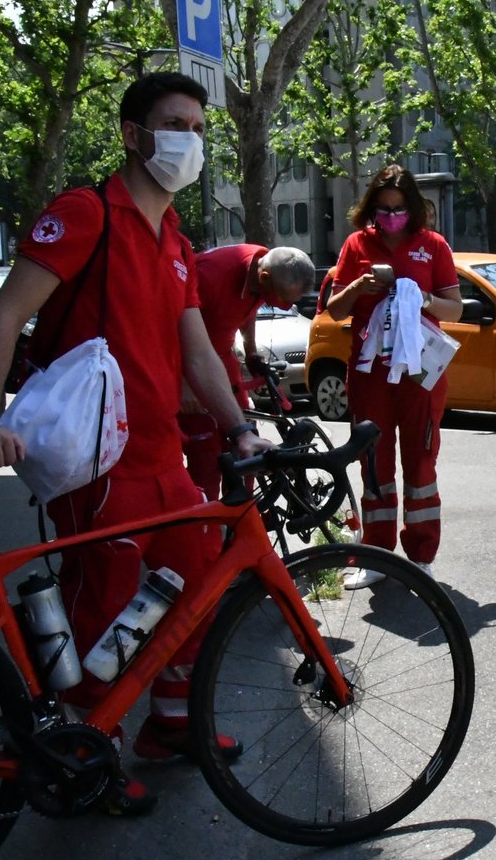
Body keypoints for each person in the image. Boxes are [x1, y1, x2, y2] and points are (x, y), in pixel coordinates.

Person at [0, 72, 274, 816]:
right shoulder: (86, 213)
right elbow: (5, 314)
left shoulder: (175, 238)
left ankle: (172, 724)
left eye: (200, 129)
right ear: (133, 135)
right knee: (101, 605)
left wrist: (239, 427)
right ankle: (80, 750)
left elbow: (198, 354)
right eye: (175, 124)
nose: (189, 141)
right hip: (96, 462)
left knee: (194, 586)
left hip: (163, 456)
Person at [323, 165, 462, 588]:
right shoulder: (356, 244)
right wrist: (357, 288)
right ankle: (376, 556)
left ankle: (421, 555)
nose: (391, 216)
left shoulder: (432, 245)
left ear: (414, 208)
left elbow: (454, 308)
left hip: (420, 373)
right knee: (374, 463)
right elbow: (335, 309)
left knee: (421, 462)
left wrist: (422, 298)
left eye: (399, 209)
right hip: (370, 374)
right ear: (371, 208)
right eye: (382, 209)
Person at [180, 243, 317, 500]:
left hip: (224, 361)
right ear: (264, 278)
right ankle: (209, 529)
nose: (286, 307)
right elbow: (171, 322)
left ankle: (242, 523)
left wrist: (251, 350)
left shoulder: (263, 267)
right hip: (191, 365)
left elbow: (251, 307)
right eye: (283, 300)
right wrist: (183, 381)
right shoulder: (210, 275)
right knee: (207, 458)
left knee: (247, 449)